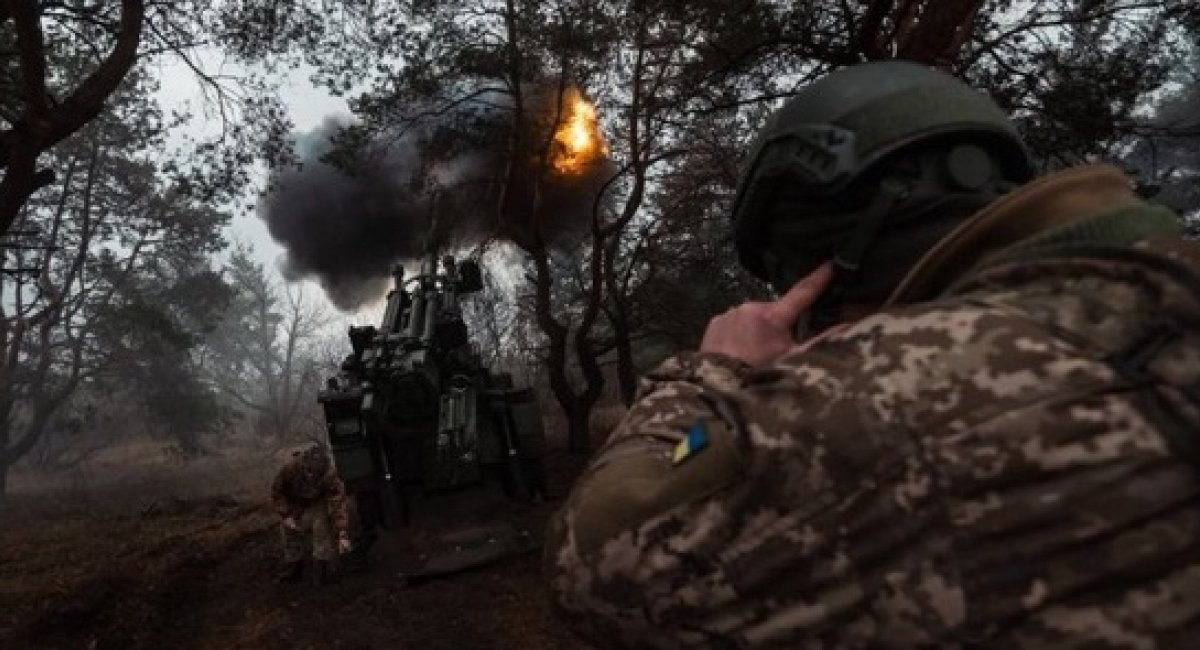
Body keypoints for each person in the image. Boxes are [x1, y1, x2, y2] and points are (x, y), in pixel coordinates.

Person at [545, 60, 1200, 648]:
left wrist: (714, 372)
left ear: (834, 269)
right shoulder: (1154, 279)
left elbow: (594, 564)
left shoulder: (886, 391)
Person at [272, 444, 353, 585]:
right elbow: (277, 492)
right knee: (288, 531)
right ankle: (294, 565)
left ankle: (322, 567)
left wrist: (342, 532)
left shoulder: (329, 475)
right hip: (294, 503)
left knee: (320, 526)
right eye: (309, 471)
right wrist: (286, 515)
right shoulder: (290, 468)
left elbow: (337, 504)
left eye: (316, 473)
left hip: (316, 503)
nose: (311, 475)